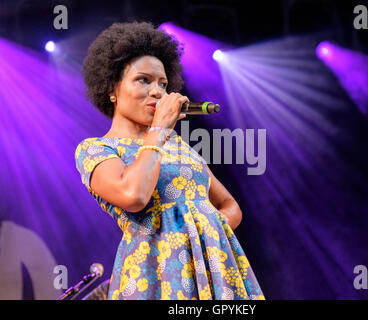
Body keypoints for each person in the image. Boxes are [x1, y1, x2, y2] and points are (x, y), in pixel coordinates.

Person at [75, 21, 264, 300]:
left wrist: (202, 235)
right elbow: (134, 195)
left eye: (163, 84)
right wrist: (159, 131)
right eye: (144, 80)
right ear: (111, 89)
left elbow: (229, 206)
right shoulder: (96, 150)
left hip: (211, 270)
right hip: (154, 276)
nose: (158, 92)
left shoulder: (178, 146)